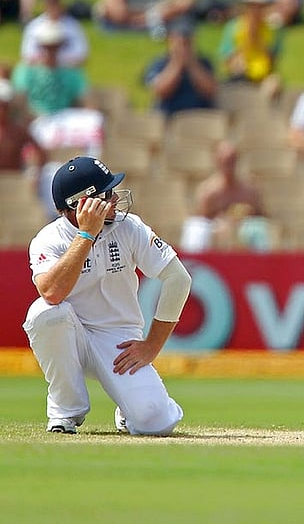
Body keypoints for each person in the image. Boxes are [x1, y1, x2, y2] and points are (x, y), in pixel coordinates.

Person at [23, 155, 192, 435]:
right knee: (44, 313)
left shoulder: (130, 227)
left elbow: (178, 279)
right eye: (106, 193)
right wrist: (86, 235)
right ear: (81, 204)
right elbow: (51, 292)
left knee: (156, 422)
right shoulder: (49, 239)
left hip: (119, 340)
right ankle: (66, 411)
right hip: (70, 336)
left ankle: (130, 408)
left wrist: (151, 346)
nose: (114, 199)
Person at [179, 140, 271, 252]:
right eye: (225, 161)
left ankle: (263, 262)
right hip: (216, 229)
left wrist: (242, 217)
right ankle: (194, 261)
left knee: (259, 228)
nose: (228, 165)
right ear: (217, 161)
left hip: (244, 228)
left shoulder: (250, 191)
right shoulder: (209, 191)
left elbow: (262, 215)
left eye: (232, 160)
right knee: (196, 228)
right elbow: (203, 218)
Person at [12, 20, 89, 117]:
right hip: (33, 118)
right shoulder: (26, 71)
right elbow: (20, 99)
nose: (50, 51)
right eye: (47, 46)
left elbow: (82, 100)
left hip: (63, 119)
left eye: (54, 47)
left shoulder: (72, 72)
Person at [143, 20, 218, 117]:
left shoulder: (204, 63)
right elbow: (160, 91)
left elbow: (211, 91)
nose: (184, 46)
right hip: (169, 117)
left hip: (199, 117)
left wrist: (192, 65)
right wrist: (177, 63)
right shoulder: (159, 63)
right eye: (179, 41)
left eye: (187, 41)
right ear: (170, 40)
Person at [217, 0, 283, 92]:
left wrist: (257, 38)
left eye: (260, 6)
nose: (256, 11)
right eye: (252, 6)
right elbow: (227, 57)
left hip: (263, 76)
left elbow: (273, 60)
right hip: (239, 74)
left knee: (274, 83)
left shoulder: (273, 29)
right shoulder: (234, 26)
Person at [21, 0, 87, 68]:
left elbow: (82, 55)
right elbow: (27, 55)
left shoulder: (74, 26)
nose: (52, 4)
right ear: (43, 3)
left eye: (55, 0)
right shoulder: (34, 27)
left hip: (66, 70)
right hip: (40, 70)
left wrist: (57, 61)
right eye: (49, 0)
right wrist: (46, 61)